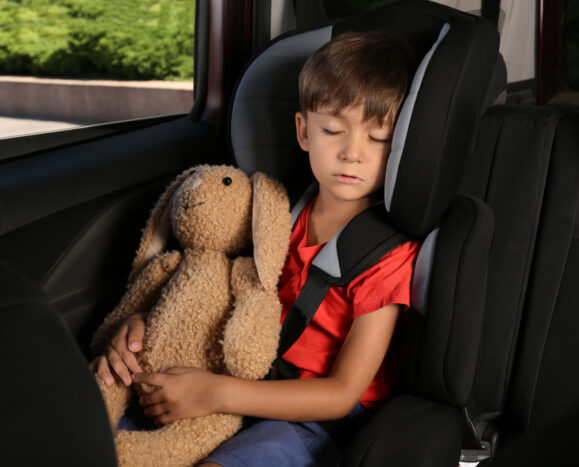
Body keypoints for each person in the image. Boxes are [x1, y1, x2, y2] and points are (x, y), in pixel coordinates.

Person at [90, 30, 419, 466]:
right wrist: (141, 328)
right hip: (233, 375)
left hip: (309, 420)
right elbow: (209, 286)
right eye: (334, 130)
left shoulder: (388, 256)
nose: (351, 153)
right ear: (303, 132)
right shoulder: (275, 214)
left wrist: (215, 393)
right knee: (89, 435)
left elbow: (341, 395)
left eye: (378, 138)